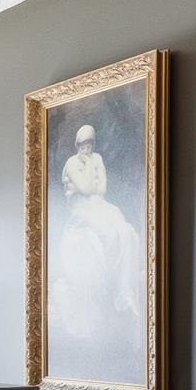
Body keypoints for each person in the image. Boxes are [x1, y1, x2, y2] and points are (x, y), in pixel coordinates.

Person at [55, 123, 140, 341]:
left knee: (124, 230)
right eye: (83, 144)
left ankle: (124, 293)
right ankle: (107, 283)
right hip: (80, 209)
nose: (87, 148)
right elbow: (85, 188)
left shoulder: (98, 159)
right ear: (77, 144)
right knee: (109, 234)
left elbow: (100, 189)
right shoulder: (72, 163)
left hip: (98, 203)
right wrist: (90, 176)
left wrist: (91, 178)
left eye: (90, 143)